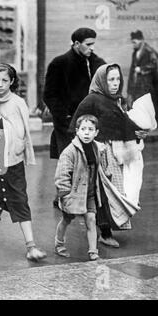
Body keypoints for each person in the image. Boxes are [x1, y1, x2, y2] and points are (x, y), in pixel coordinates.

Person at [70, 63, 148, 248]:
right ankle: (104, 232)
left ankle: (103, 228)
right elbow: (77, 127)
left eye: (117, 79)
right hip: (99, 153)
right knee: (103, 194)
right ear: (101, 81)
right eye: (110, 79)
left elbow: (124, 124)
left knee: (115, 192)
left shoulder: (118, 100)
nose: (115, 83)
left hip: (116, 153)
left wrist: (139, 132)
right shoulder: (92, 100)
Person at [0, 63, 46, 261]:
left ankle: (31, 245)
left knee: (19, 197)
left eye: (4, 80)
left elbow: (20, 132)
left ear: (12, 82)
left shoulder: (18, 102)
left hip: (11, 157)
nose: (0, 84)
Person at [43, 27, 106, 207]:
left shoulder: (96, 63)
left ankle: (82, 198)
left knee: (88, 159)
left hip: (90, 122)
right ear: (77, 44)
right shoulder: (59, 63)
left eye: (93, 44)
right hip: (67, 123)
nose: (92, 48)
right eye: (88, 44)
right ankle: (64, 197)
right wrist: (64, 117)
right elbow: (49, 94)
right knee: (69, 160)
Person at [54, 115, 102, 261]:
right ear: (77, 131)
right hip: (74, 194)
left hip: (90, 193)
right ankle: (59, 244)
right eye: (83, 129)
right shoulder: (69, 152)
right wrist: (65, 193)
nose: (86, 133)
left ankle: (93, 251)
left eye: (90, 129)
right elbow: (62, 175)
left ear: (96, 132)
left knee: (91, 219)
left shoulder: (97, 148)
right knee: (66, 219)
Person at [127, 30, 158, 118]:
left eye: (134, 42)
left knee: (148, 108)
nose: (133, 44)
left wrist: (141, 69)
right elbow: (132, 71)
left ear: (141, 40)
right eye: (132, 42)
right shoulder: (135, 52)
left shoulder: (149, 52)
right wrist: (129, 90)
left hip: (147, 86)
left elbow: (155, 64)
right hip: (136, 85)